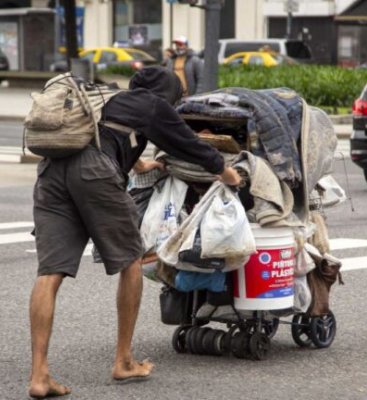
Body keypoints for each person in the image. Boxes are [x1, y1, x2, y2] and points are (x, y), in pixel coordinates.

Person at [27, 66, 241, 399]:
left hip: (52, 174)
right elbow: (189, 146)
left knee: (49, 273)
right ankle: (124, 360)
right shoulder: (154, 105)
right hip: (94, 173)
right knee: (131, 260)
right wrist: (227, 173)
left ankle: (39, 375)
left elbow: (108, 138)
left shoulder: (111, 99)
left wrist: (142, 165)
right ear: (168, 93)